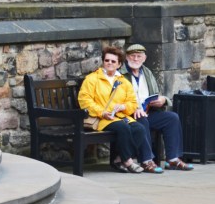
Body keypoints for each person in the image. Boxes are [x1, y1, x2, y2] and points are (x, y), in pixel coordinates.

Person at [78, 45, 162, 174]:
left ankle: (119, 159)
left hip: (121, 117)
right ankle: (128, 161)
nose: (109, 63)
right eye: (107, 60)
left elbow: (133, 103)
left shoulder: (123, 81)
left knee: (139, 129)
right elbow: (85, 101)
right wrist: (102, 112)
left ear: (119, 64)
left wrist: (123, 107)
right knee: (123, 128)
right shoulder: (92, 79)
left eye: (113, 61)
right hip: (101, 118)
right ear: (103, 62)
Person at [121, 43, 194, 171]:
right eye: (133, 56)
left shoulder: (147, 73)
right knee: (141, 120)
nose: (136, 59)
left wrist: (162, 100)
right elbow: (117, 98)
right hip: (128, 115)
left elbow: (155, 94)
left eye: (139, 56)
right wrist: (134, 108)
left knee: (172, 118)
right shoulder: (120, 74)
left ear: (144, 58)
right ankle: (146, 160)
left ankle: (172, 159)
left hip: (148, 111)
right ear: (127, 57)